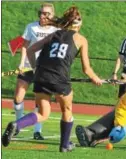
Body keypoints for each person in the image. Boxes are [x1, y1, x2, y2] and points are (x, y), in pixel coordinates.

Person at [2, 6, 103, 152]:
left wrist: (36, 68)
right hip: (60, 79)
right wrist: (96, 78)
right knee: (67, 109)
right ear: (79, 24)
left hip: (41, 77)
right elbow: (86, 69)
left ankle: (17, 125)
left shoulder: (54, 34)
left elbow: (30, 50)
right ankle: (64, 145)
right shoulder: (81, 39)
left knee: (43, 113)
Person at [13, 3, 59, 140]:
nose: (43, 15)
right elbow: (24, 46)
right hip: (28, 66)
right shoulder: (31, 27)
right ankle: (18, 125)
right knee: (18, 98)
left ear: (52, 15)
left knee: (40, 102)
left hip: (44, 69)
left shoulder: (56, 30)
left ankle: (37, 131)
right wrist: (22, 63)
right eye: (42, 13)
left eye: (47, 13)